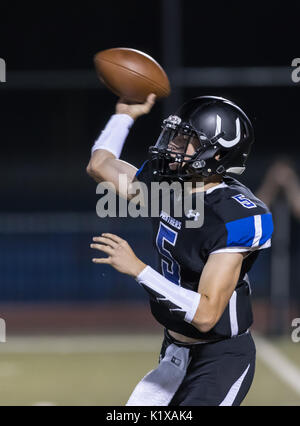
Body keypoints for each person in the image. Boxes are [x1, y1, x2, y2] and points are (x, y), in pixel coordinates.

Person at [86, 94, 273, 406]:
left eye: (186, 139)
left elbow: (206, 314)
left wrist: (139, 269)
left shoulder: (233, 215)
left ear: (216, 151)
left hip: (220, 360)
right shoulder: (166, 190)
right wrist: (124, 116)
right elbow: (99, 165)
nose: (171, 144)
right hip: (174, 352)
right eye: (175, 135)